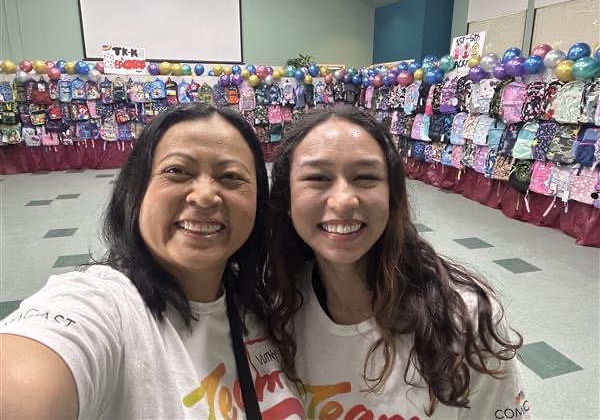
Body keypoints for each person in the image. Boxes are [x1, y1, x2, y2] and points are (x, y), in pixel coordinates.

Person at [1, 103, 303, 419]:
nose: (203, 196)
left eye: (230, 176)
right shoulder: (103, 306)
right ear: (137, 189)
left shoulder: (268, 302)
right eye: (177, 171)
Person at [264, 106, 532, 419]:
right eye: (317, 178)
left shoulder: (463, 319)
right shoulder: (274, 310)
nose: (343, 201)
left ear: (393, 195)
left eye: (365, 177)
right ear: (286, 199)